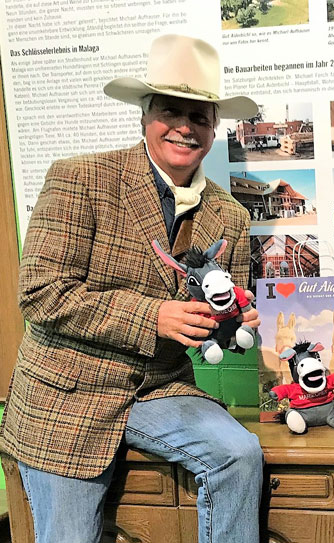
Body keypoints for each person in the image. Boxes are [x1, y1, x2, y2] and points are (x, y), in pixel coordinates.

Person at [0, 35, 265, 543]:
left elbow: (216, 321)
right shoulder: (80, 178)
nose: (185, 127)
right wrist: (152, 317)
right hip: (66, 396)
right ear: (144, 116)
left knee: (238, 454)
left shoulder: (230, 215)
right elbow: (40, 293)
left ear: (214, 129)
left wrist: (233, 326)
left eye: (200, 116)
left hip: (159, 388)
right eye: (170, 111)